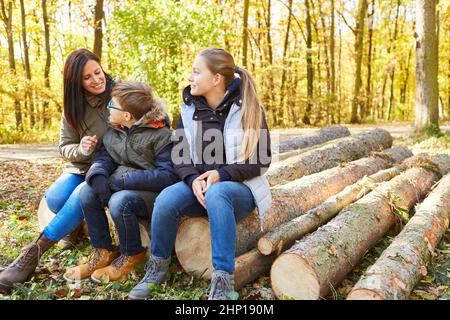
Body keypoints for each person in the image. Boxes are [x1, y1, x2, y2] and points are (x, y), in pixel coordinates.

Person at [129, 48, 272, 300]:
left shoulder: (249, 108)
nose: (190, 77)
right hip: (199, 185)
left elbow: (261, 161)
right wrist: (192, 179)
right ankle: (157, 268)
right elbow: (180, 155)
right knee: (166, 199)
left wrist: (221, 174)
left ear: (216, 79)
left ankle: (223, 281)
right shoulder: (188, 109)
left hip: (240, 189)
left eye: (196, 72)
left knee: (217, 192)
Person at [0, 49, 114, 293]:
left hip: (108, 168)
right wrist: (81, 148)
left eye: (98, 72)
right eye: (87, 77)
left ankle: (33, 253)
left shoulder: (119, 95)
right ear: (76, 82)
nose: (96, 79)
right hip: (81, 166)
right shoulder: (73, 108)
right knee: (54, 198)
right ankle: (71, 228)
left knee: (81, 193)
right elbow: (64, 147)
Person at [63, 81, 178, 283]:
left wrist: (125, 180)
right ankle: (103, 251)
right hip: (122, 186)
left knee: (119, 201)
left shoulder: (162, 136)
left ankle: (131, 253)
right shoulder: (114, 132)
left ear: (127, 116)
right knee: (86, 193)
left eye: (111, 105)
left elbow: (167, 176)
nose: (107, 107)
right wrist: (97, 175)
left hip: (150, 195)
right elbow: (104, 158)